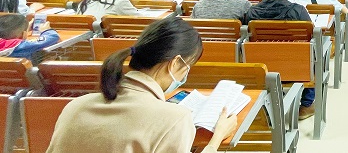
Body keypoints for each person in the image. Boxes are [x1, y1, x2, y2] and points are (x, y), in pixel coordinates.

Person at [45, 17, 236, 153]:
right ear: (175, 63)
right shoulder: (175, 119)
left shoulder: (75, 106)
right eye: (188, 67)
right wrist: (216, 139)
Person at [243, 0, 315, 120]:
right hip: (293, 69)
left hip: (260, 68)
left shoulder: (252, 12)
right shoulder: (298, 10)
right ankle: (306, 105)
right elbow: (310, 35)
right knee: (313, 53)